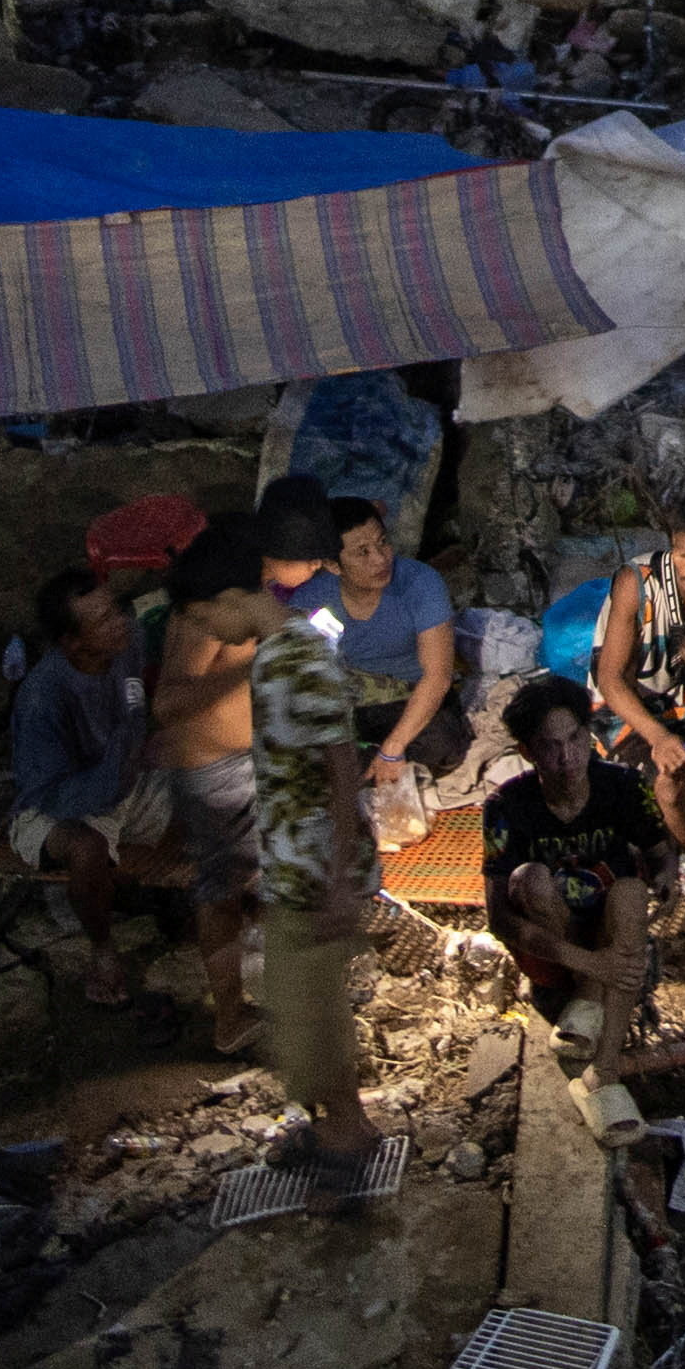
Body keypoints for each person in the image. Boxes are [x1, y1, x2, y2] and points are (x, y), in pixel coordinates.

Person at [232, 487, 387, 1190]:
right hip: (302, 859)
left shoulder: (293, 646)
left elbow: (340, 763)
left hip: (313, 866)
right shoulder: (292, 637)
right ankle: (338, 1122)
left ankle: (344, 1140)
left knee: (307, 1014)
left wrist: (336, 874)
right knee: (308, 1009)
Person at [478, 674, 685, 1080]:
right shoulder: (506, 806)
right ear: (527, 751)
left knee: (630, 891)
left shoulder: (623, 786)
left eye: (575, 739)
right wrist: (593, 966)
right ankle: (589, 1009)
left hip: (613, 932)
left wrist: (666, 879)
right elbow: (500, 920)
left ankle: (605, 1065)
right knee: (531, 878)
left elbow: (660, 851)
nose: (567, 756)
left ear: (588, 736)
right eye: (550, 746)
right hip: (555, 945)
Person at [146, 505, 277, 1053]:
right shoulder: (201, 617)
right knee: (218, 891)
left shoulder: (248, 598)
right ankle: (229, 1016)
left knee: (256, 876)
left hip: (245, 761)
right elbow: (168, 703)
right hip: (209, 773)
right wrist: (243, 670)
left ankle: (269, 981)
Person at [7, 566, 167, 1007]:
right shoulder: (44, 697)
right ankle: (102, 950)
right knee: (87, 849)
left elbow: (139, 706)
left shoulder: (129, 641)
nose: (120, 623)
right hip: (63, 802)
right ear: (73, 642)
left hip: (128, 777)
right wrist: (117, 776)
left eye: (115, 610)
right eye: (103, 621)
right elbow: (50, 793)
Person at [588, 494, 685, 904]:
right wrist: (658, 736)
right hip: (631, 707)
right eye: (683, 553)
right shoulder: (637, 582)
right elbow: (612, 679)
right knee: (662, 785)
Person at [323, 497, 463, 789]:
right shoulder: (312, 596)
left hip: (409, 697)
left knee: (444, 743)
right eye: (362, 552)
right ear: (332, 565)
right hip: (352, 699)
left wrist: (392, 749)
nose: (380, 559)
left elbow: (437, 677)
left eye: (383, 542)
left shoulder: (421, 584)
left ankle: (374, 761)